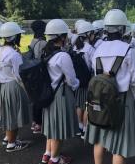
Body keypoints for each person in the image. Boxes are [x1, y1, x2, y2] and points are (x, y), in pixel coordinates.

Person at [86, 9, 135, 164]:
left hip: (100, 98)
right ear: (123, 29)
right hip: (122, 98)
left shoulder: (97, 50)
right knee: (119, 145)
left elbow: (97, 74)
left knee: (99, 140)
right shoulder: (129, 50)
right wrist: (133, 97)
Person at [41, 19, 80, 164]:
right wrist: (78, 84)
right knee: (58, 129)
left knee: (52, 126)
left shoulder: (45, 52)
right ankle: (55, 159)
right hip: (60, 95)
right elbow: (72, 80)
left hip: (48, 94)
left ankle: (48, 154)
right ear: (62, 37)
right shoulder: (63, 56)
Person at [0, 22, 31, 152]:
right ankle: (12, 143)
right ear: (14, 37)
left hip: (4, 85)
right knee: (14, 114)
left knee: (9, 113)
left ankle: (9, 137)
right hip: (14, 85)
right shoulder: (14, 54)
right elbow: (19, 74)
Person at [73, 20, 95, 139]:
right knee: (87, 105)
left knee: (79, 104)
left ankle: (79, 126)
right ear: (88, 34)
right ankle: (85, 129)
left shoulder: (75, 47)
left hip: (78, 81)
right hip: (88, 81)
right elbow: (94, 66)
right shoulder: (90, 49)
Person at [29, 20, 47, 134]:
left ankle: (35, 122)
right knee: (41, 99)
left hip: (33, 73)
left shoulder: (33, 40)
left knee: (36, 99)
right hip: (40, 73)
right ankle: (39, 123)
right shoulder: (42, 42)